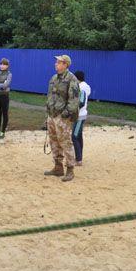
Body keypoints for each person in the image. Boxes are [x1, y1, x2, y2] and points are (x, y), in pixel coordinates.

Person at [44, 54, 80, 182]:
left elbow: (74, 100)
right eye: (56, 62)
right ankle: (58, 167)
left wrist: (66, 114)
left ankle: (70, 169)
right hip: (52, 115)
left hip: (63, 117)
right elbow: (50, 96)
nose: (56, 64)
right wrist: (48, 112)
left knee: (65, 142)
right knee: (54, 141)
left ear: (65, 64)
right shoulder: (54, 78)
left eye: (59, 62)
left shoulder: (72, 79)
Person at [72, 70, 91, 166]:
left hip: (80, 115)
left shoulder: (82, 87)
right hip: (81, 115)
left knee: (74, 137)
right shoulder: (85, 86)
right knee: (78, 136)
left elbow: (82, 101)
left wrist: (73, 109)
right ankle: (79, 157)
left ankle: (78, 160)